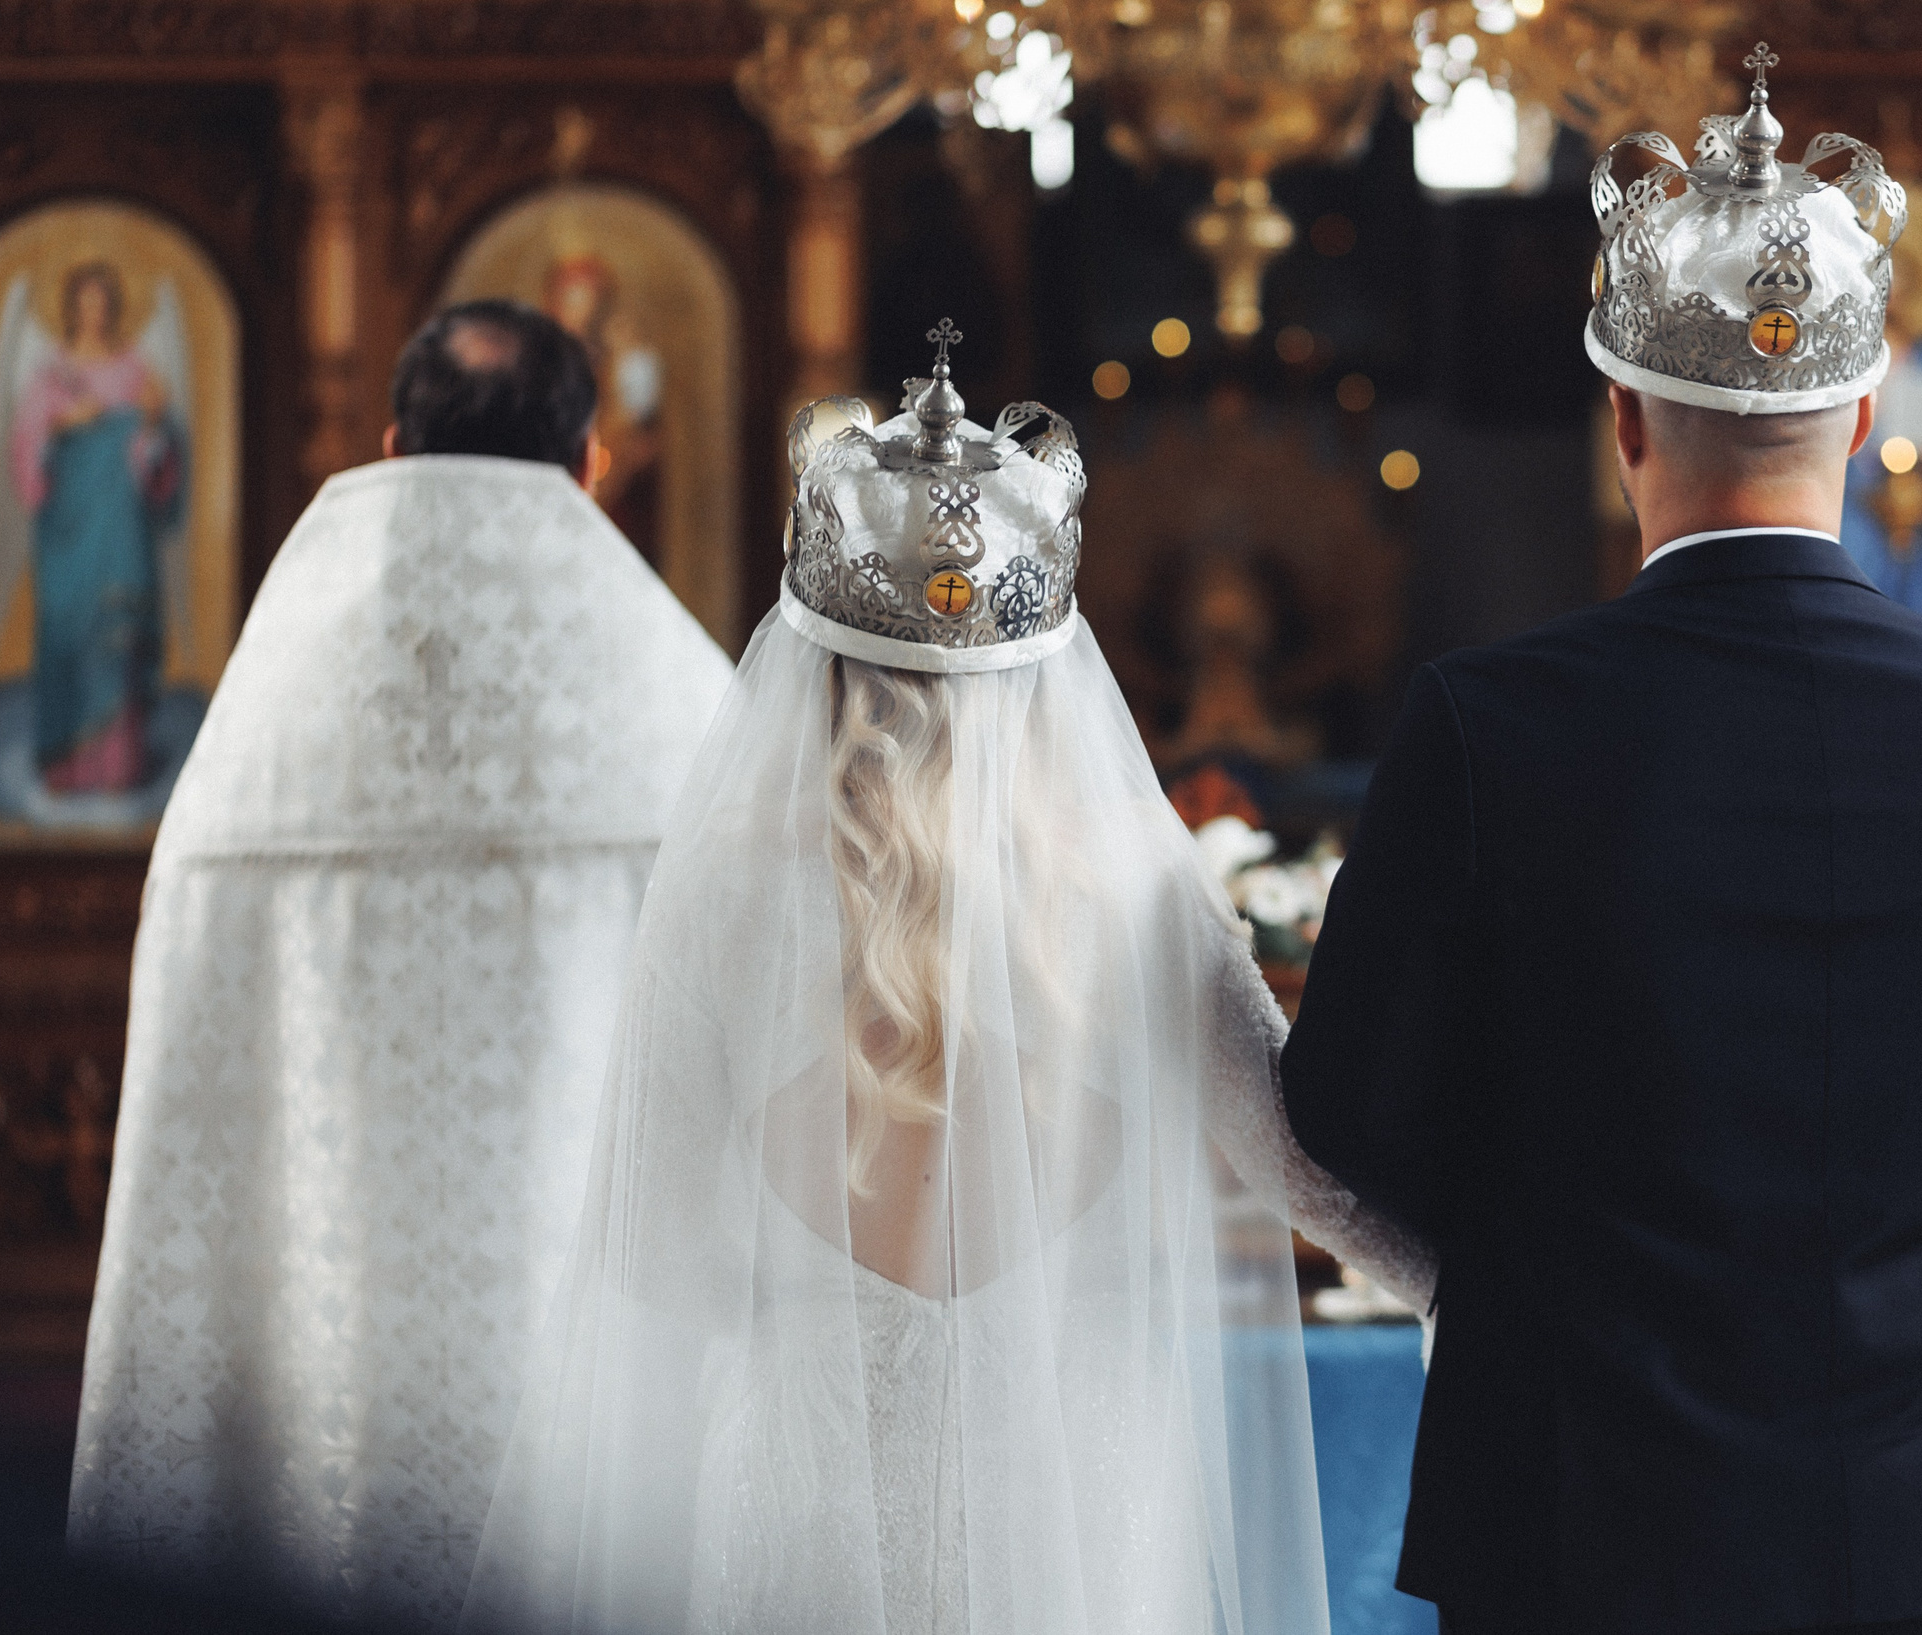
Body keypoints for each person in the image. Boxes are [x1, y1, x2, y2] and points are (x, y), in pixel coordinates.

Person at [1282, 50, 1922, 1635]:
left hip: (1584, 1510)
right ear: (1861, 415)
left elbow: (1344, 1101)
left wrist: (1536, 1233)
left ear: (1621, 420)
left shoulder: (1484, 723)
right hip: (1913, 1523)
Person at [458, 323, 1432, 1635]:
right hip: (1072, 1516)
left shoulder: (724, 894)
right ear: (1045, 673)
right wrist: (1474, 1286)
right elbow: (1308, 1169)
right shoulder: (1137, 894)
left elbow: (655, 1255)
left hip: (801, 1511)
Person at [69, 300, 734, 1630]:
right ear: (592, 461)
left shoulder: (272, 708)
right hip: (598, 1377)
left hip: (322, 1348)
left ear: (387, 442)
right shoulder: (681, 708)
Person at [7, 260, 185, 795]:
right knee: (67, 634)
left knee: (119, 635)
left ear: (113, 307)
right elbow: (26, 453)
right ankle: (66, 764)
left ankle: (118, 769)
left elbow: (154, 460)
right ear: (72, 308)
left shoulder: (135, 370)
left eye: (102, 301)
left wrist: (150, 424)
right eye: (84, 301)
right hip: (67, 533)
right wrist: (63, 424)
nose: (94, 310)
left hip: (120, 528)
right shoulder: (50, 375)